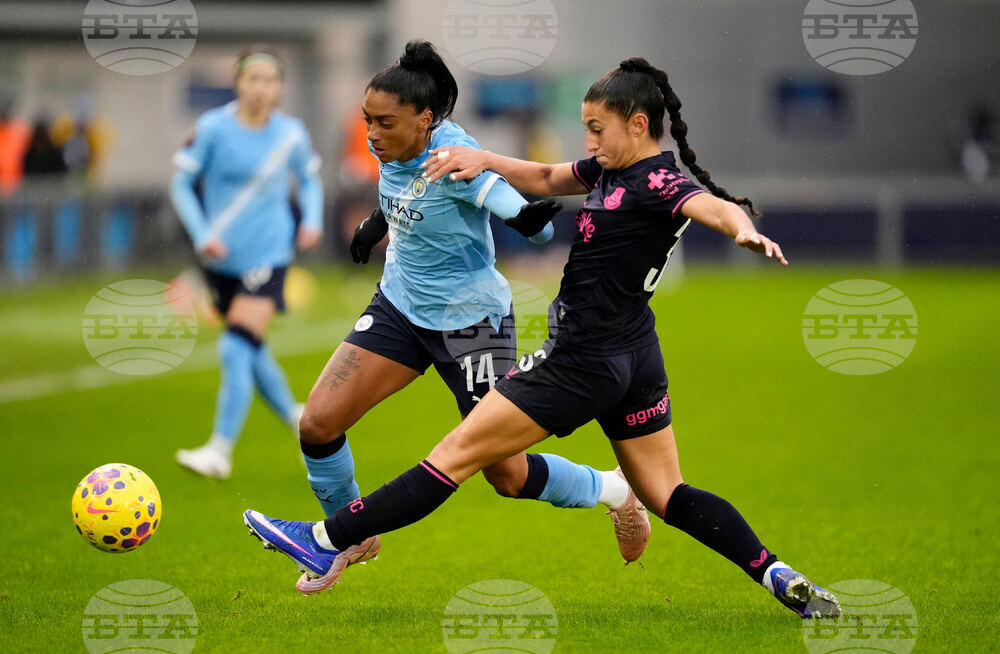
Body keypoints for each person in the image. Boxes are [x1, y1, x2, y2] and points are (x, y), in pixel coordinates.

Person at [244, 56, 844, 619]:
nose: (588, 141)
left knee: (453, 457)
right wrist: (485, 159)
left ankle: (326, 538)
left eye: (596, 129)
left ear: (638, 125)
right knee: (668, 492)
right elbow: (547, 176)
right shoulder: (610, 169)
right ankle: (776, 574)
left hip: (577, 360)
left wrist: (741, 229)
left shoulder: (656, 181)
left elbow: (706, 204)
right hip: (636, 353)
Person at [251, 40, 652, 590]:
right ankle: (349, 537)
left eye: (385, 123)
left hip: (472, 324)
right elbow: (407, 191)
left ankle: (614, 489)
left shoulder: (455, 154)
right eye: (367, 120)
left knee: (506, 474)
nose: (372, 134)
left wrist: (528, 221)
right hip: (400, 307)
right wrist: (375, 224)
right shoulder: (392, 149)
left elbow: (506, 203)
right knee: (318, 424)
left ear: (425, 119)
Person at [170, 46, 323, 479]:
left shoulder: (291, 133)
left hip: (269, 254)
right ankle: (298, 420)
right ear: (238, 82)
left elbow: (309, 180)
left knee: (234, 345)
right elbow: (181, 184)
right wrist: (202, 233)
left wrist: (311, 220)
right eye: (253, 79)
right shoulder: (212, 128)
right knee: (252, 350)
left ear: (280, 87)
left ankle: (219, 451)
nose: (261, 88)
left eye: (270, 80)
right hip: (220, 258)